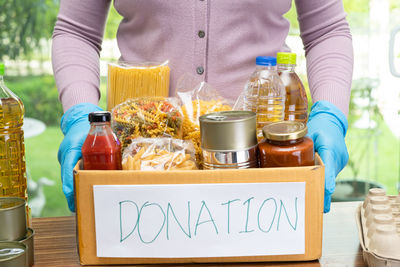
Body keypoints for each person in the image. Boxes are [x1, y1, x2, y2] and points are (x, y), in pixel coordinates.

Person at [52, 0, 353, 213]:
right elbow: (76, 31)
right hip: (143, 158)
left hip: (260, 158)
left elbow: (327, 30)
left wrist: (330, 114)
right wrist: (81, 113)